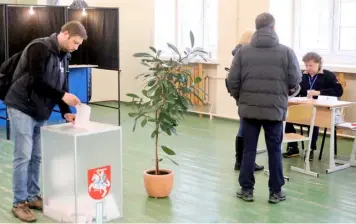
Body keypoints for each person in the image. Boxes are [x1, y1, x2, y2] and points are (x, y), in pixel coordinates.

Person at [4, 21, 87, 222]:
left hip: (40, 110)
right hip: (21, 106)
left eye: (79, 45)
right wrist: (63, 96)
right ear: (65, 34)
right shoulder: (39, 48)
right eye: (75, 42)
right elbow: (37, 81)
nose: (76, 47)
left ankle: (32, 197)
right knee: (23, 156)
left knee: (37, 156)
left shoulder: (64, 56)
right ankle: (19, 203)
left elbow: (61, 85)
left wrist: (66, 111)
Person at [227, 12, 302, 204]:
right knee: (275, 150)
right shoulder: (287, 52)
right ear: (273, 27)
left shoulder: (243, 52)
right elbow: (295, 80)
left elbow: (232, 81)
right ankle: (275, 192)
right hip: (275, 111)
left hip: (249, 110)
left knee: (249, 150)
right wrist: (284, 96)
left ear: (256, 27)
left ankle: (246, 190)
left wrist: (240, 99)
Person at [283, 52, 343, 160]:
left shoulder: (328, 75)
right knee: (287, 118)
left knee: (314, 120)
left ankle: (310, 149)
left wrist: (319, 92)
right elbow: (296, 89)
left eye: (311, 65)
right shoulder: (302, 75)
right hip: (303, 108)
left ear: (319, 64)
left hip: (321, 111)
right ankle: (293, 147)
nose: (308, 68)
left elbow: (338, 91)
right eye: (306, 65)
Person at [227, 30, 264, 172]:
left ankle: (240, 161)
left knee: (243, 128)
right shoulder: (244, 53)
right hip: (248, 96)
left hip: (242, 96)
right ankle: (244, 162)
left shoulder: (238, 52)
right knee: (246, 130)